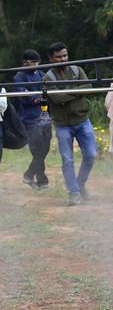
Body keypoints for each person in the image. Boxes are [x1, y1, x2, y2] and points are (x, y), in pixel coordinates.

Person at [43, 43, 97, 206]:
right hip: (62, 124)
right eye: (59, 57)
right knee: (67, 160)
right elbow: (56, 99)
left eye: (65, 55)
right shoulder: (48, 77)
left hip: (82, 120)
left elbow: (88, 87)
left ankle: (80, 184)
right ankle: (73, 192)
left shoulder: (77, 70)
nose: (63, 59)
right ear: (51, 58)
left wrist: (66, 93)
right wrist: (76, 91)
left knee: (91, 155)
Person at [12, 50, 53, 189]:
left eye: (37, 62)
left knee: (45, 149)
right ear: (25, 62)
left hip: (45, 116)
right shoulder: (19, 77)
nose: (36, 65)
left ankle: (29, 175)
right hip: (29, 119)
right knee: (37, 151)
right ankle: (41, 180)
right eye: (33, 62)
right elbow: (25, 97)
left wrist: (44, 99)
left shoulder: (41, 74)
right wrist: (38, 99)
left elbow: (47, 92)